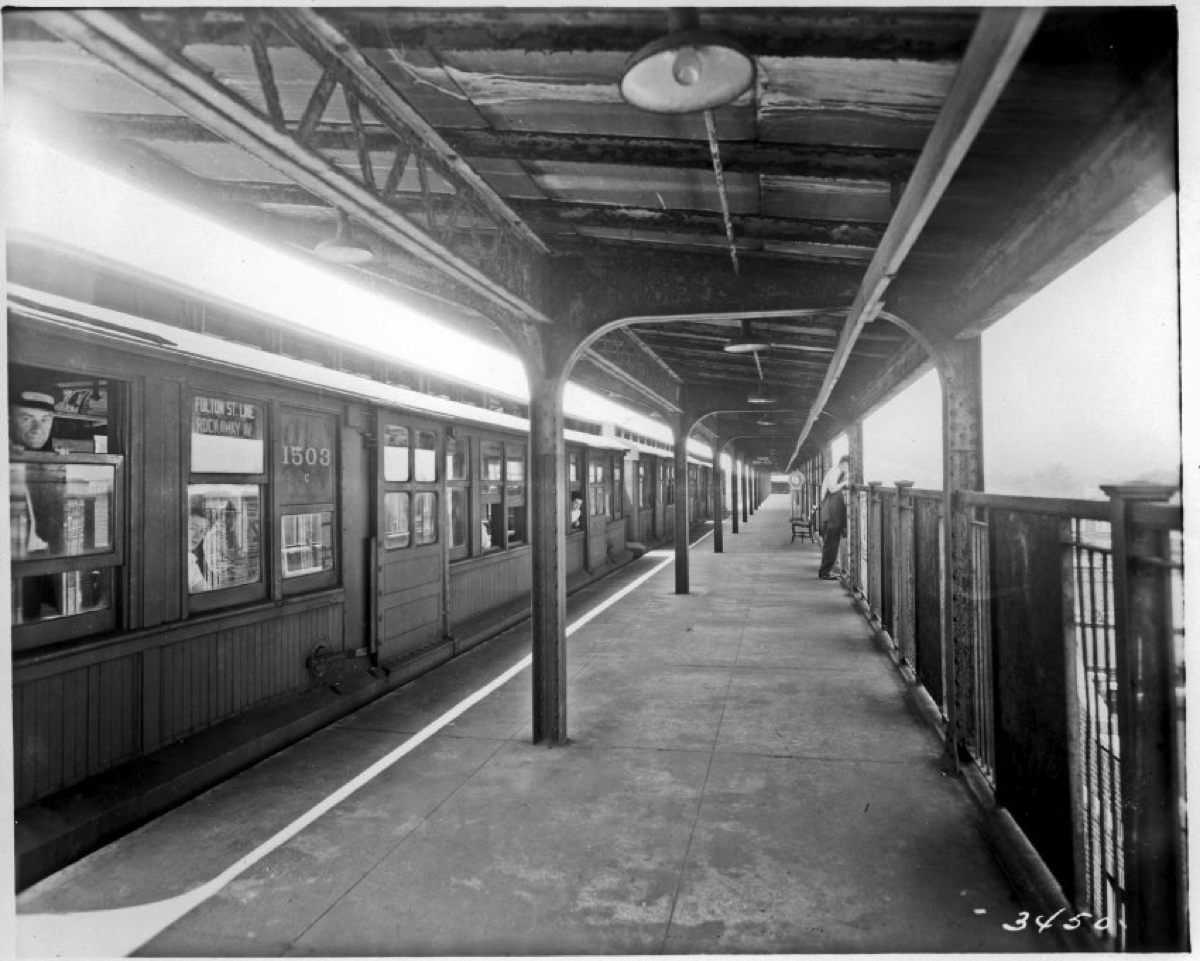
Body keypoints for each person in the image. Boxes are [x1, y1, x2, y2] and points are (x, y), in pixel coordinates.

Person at [9, 386, 64, 619]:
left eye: (45, 419)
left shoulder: (49, 462)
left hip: (40, 564)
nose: (38, 429)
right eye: (27, 418)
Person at [818, 455, 851, 580]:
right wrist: (845, 482)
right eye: (848, 465)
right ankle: (824, 572)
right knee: (831, 543)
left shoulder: (837, 472)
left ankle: (826, 570)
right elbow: (832, 489)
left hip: (833, 512)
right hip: (832, 512)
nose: (849, 469)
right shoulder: (834, 472)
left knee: (832, 542)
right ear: (843, 463)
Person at [188, 507, 213, 593]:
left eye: (202, 531)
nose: (198, 536)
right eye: (192, 528)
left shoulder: (191, 563)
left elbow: (207, 595)